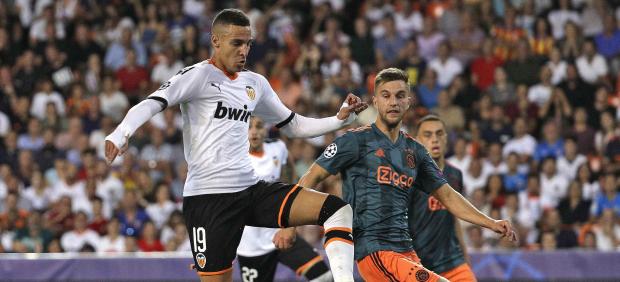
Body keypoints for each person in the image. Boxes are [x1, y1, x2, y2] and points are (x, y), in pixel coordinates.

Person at [104, 9, 367, 282]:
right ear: (215, 41)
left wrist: (338, 120)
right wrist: (120, 133)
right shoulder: (197, 76)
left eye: (248, 43)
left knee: (337, 209)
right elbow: (152, 102)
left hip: (249, 190)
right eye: (236, 43)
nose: (244, 51)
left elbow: (293, 125)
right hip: (208, 201)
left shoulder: (255, 83)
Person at [299, 68, 516, 282]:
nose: (393, 102)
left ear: (408, 102)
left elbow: (448, 196)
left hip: (406, 252)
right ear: (376, 101)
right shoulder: (355, 141)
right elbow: (311, 176)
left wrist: (491, 222)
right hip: (374, 250)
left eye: (400, 96)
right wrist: (289, 228)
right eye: (386, 96)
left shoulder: (415, 151)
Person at [236, 116, 332, 282]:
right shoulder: (232, 159)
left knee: (323, 276)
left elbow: (292, 185)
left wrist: (290, 225)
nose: (254, 131)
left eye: (258, 126)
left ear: (265, 129)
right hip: (251, 246)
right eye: (248, 127)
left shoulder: (278, 148)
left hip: (280, 233)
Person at [409, 114, 476, 281]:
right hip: (419, 264)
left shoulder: (455, 175)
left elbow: (455, 217)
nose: (435, 139)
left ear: (446, 138)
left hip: (453, 262)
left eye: (439, 134)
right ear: (417, 140)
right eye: (428, 134)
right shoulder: (410, 177)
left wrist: (465, 257)